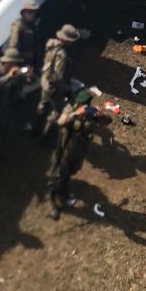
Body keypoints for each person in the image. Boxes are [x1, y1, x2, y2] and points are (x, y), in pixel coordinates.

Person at [48, 88, 111, 219]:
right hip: (65, 150)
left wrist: (101, 116)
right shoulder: (71, 110)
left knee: (70, 172)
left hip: (79, 151)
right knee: (57, 179)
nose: (86, 106)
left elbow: (107, 121)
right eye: (83, 103)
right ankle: (54, 204)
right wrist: (76, 114)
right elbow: (61, 121)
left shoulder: (91, 112)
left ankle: (64, 190)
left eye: (87, 103)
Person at [32, 23, 80, 142]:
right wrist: (66, 89)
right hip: (53, 86)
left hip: (44, 80)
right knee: (56, 110)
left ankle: (35, 129)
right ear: (66, 40)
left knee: (42, 105)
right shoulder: (62, 55)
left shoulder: (51, 43)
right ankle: (45, 137)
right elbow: (58, 77)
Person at [4, 0, 41, 75]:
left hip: (33, 61)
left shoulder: (33, 26)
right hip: (22, 62)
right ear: (23, 13)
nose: (32, 15)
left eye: (34, 12)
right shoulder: (18, 26)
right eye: (29, 12)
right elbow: (14, 47)